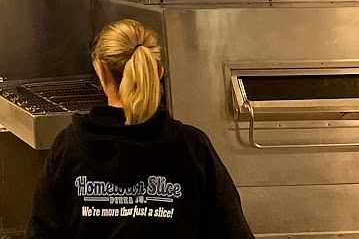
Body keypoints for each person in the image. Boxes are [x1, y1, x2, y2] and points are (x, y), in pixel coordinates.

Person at [27, 19, 253, 238]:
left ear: (102, 72)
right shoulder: (191, 147)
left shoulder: (69, 147)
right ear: (159, 72)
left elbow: (42, 231)